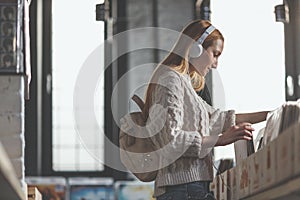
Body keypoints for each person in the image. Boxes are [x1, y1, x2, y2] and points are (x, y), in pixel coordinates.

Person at [139, 20, 269, 200]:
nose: (215, 64)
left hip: (190, 187)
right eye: (215, 54)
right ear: (195, 48)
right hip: (183, 189)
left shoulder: (184, 85)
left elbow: (221, 119)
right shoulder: (170, 80)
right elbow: (170, 140)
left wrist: (271, 115)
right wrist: (221, 139)